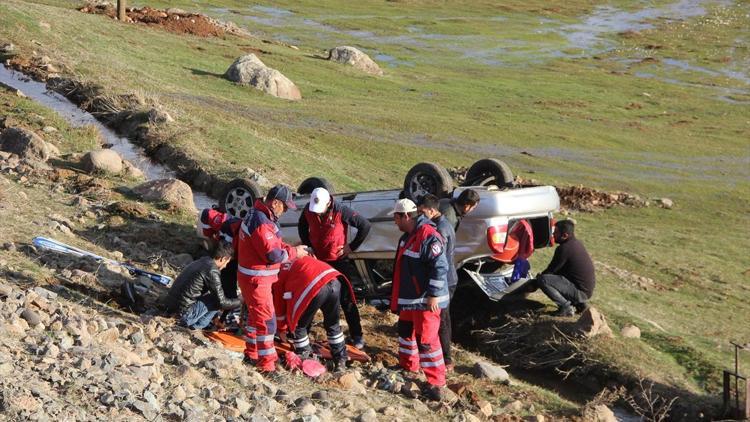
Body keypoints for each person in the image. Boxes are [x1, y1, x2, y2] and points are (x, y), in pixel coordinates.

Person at [236, 184, 309, 373]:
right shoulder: (261, 221)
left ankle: (251, 354)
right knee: (268, 323)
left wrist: (286, 248)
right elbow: (273, 255)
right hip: (257, 280)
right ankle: (267, 365)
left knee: (255, 319)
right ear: (275, 202)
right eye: (284, 207)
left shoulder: (259, 215)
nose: (285, 211)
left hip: (253, 278)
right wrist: (295, 252)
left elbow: (272, 244)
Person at [390, 198, 450, 400]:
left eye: (396, 218)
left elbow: (440, 267)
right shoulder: (408, 236)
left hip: (426, 301)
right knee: (406, 330)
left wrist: (433, 294)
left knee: (427, 341)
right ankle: (408, 366)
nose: (395, 223)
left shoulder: (428, 237)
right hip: (411, 298)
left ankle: (436, 383)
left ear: (406, 216)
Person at [298, 187, 371, 350]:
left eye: (320, 210)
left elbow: (365, 226)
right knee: (312, 296)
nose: (317, 213)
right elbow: (302, 225)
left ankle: (357, 335)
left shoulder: (341, 211)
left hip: (338, 261)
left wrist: (351, 247)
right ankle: (303, 333)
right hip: (318, 261)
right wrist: (308, 245)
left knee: (346, 299)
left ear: (329, 203)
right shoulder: (309, 209)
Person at [273, 256, 356, 371]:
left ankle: (307, 360)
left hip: (315, 286)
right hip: (334, 279)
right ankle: (341, 360)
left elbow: (279, 302)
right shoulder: (299, 257)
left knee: (298, 325)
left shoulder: (278, 271)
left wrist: (282, 328)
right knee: (333, 324)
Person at [417, 194, 458, 372]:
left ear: (432, 210)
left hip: (444, 281)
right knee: (442, 319)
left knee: (441, 320)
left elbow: (439, 262)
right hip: (448, 278)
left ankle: (446, 359)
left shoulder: (439, 229)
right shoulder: (445, 223)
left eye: (421, 212)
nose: (419, 216)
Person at [164, 242, 242, 330]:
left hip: (170, 306)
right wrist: (240, 301)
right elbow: (222, 302)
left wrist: (215, 316)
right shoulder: (212, 270)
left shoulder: (202, 261)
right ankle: (194, 326)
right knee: (217, 299)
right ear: (222, 259)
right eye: (227, 263)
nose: (225, 266)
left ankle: (201, 323)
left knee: (214, 296)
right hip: (183, 314)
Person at [535, 220, 595, 316]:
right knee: (552, 278)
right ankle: (579, 304)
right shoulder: (576, 244)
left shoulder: (564, 249)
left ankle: (566, 307)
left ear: (565, 235)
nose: (553, 234)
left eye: (556, 232)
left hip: (580, 292)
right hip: (585, 291)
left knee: (543, 280)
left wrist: (535, 282)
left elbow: (551, 271)